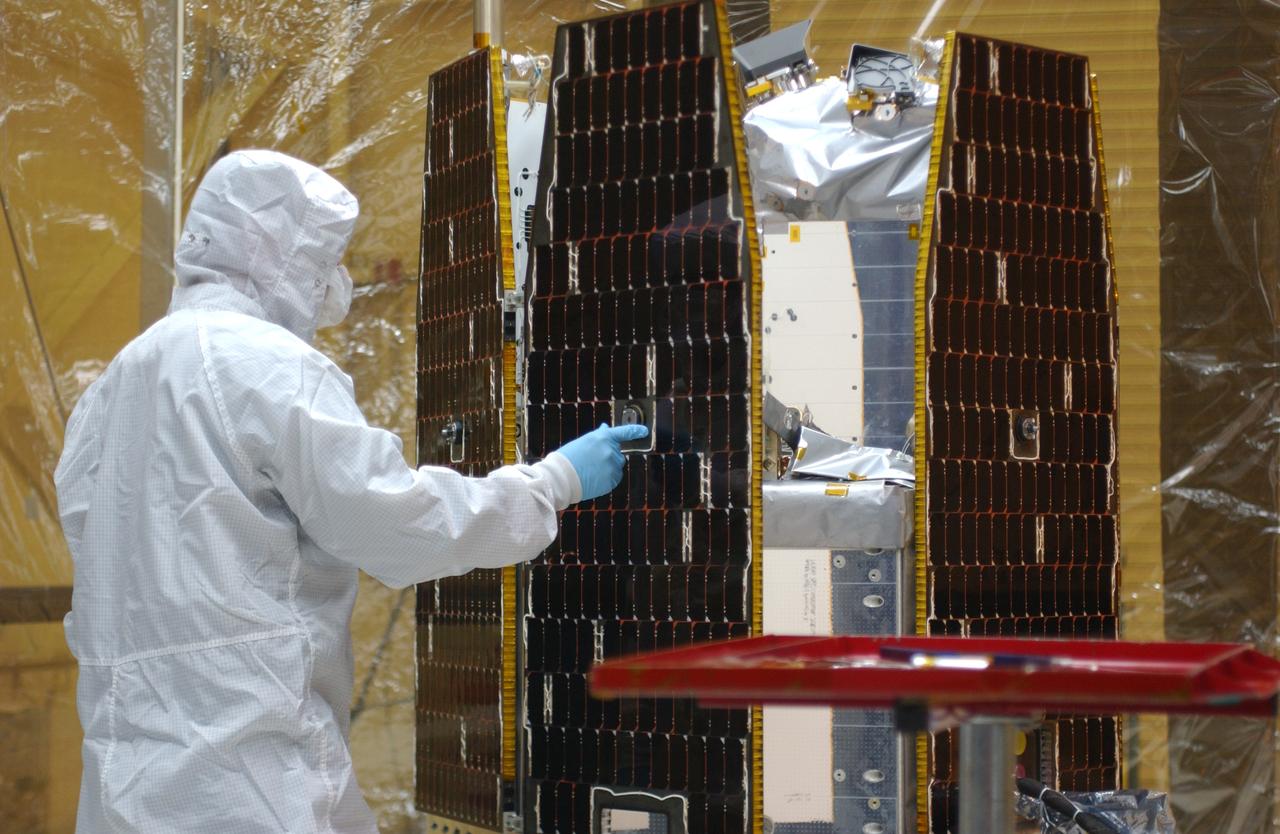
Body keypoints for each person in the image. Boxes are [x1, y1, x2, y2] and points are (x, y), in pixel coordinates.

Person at [54, 149, 645, 834]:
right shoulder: (267, 366)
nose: (332, 282)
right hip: (247, 780)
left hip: (124, 786)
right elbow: (397, 525)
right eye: (321, 259)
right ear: (272, 250)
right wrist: (552, 482)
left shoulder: (109, 391)